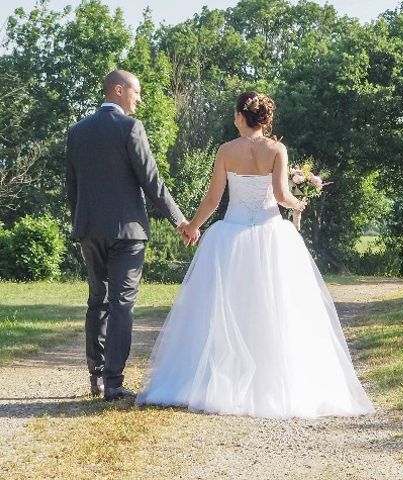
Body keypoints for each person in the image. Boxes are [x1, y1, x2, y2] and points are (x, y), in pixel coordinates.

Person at [136, 91, 375, 418]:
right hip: (270, 234)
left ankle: (215, 379)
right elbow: (280, 194)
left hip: (230, 234)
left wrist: (192, 226)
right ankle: (274, 381)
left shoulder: (225, 151)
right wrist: (298, 202)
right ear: (265, 119)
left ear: (239, 116)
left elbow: (212, 200)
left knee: (226, 308)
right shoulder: (276, 150)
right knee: (275, 307)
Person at [65, 70, 190, 401]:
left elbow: (72, 188)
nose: (139, 98)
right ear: (118, 90)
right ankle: (114, 382)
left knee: (97, 301)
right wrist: (179, 220)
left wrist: (81, 231)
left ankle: (96, 378)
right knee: (121, 304)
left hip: (90, 230)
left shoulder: (76, 131)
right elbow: (152, 182)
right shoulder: (131, 128)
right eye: (137, 92)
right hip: (128, 233)